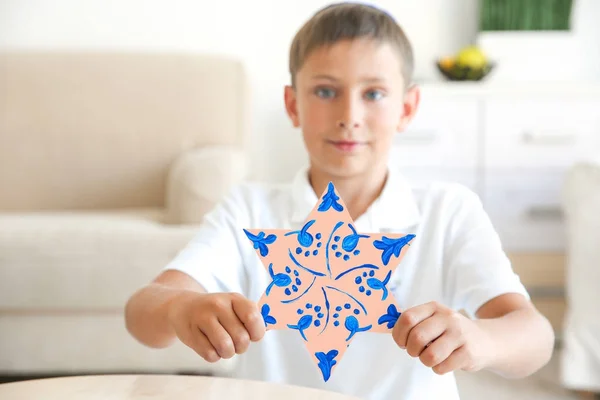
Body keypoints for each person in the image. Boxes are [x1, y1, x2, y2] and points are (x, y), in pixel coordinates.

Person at [125, 3, 555, 399]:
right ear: (292, 105)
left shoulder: (449, 211)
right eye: (326, 91)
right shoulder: (247, 210)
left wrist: (483, 339)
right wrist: (181, 308)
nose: (349, 115)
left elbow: (535, 337)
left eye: (374, 93)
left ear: (408, 108)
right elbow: (143, 311)